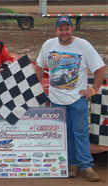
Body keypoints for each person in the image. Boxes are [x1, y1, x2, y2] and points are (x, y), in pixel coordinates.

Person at [35, 16, 105, 182]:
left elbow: (100, 67)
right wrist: (37, 88)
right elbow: (39, 66)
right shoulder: (48, 45)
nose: (64, 32)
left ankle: (86, 165)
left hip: (77, 98)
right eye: (61, 29)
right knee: (66, 134)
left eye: (67, 29)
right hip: (56, 98)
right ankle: (72, 164)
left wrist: (94, 89)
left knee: (80, 132)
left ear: (72, 29)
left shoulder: (83, 45)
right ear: (56, 31)